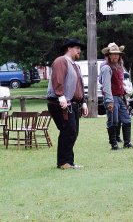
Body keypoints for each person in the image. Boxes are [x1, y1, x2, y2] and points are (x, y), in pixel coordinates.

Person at [47, 38, 89, 170]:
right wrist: (61, 96)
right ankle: (63, 162)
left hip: (72, 103)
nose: (79, 51)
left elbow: (79, 86)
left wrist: (83, 102)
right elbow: (57, 80)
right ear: (69, 48)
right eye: (77, 48)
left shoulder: (74, 65)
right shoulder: (61, 61)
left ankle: (69, 162)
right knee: (68, 131)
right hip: (60, 102)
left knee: (73, 132)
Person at [100, 43, 133, 150]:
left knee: (127, 120)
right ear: (109, 55)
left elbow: (120, 84)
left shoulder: (119, 66)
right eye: (113, 54)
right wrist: (109, 101)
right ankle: (114, 144)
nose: (115, 56)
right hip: (112, 97)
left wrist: (125, 97)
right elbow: (106, 86)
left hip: (120, 97)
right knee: (113, 121)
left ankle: (127, 143)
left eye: (117, 54)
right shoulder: (106, 68)